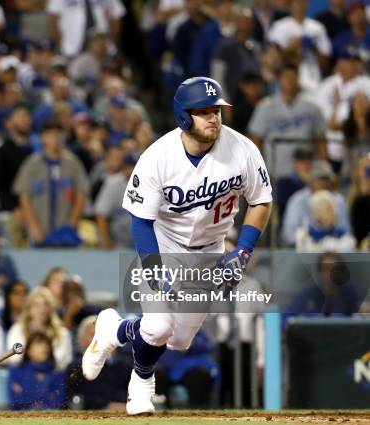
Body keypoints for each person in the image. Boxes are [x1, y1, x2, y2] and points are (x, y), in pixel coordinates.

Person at [82, 77, 272, 415]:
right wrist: (154, 267)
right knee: (157, 327)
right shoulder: (158, 157)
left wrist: (242, 250)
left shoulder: (242, 149)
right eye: (204, 111)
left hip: (211, 250)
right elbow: (140, 221)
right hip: (164, 243)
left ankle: (114, 329)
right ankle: (141, 385)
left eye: (216, 110)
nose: (214, 117)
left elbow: (261, 202)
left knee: (178, 341)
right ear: (184, 117)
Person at [7, 286, 73, 370]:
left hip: (53, 377)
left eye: (46, 305)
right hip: (24, 375)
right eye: (37, 305)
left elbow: (65, 361)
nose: (42, 309)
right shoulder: (17, 330)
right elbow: (14, 358)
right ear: (29, 308)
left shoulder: (62, 333)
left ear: (51, 308)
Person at [7, 331, 66, 410]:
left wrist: (25, 393)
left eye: (46, 344)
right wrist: (47, 395)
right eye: (38, 343)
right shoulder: (16, 372)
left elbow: (58, 403)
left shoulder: (57, 374)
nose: (44, 347)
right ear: (29, 351)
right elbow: (16, 402)